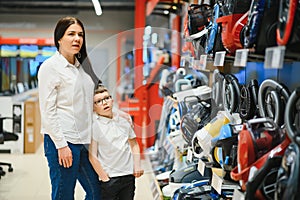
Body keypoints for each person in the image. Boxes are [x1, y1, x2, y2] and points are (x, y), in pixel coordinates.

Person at [38, 16, 101, 200]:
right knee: (64, 194)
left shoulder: (82, 66)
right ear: (59, 38)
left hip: (85, 141)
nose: (77, 39)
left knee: (96, 191)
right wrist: (61, 146)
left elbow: (90, 101)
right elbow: (48, 110)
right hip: (63, 142)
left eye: (80, 35)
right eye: (71, 34)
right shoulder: (50, 67)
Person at [89, 84, 144, 200]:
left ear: (112, 100)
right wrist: (104, 178)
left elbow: (134, 144)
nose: (104, 103)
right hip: (110, 178)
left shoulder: (124, 122)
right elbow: (92, 156)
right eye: (99, 101)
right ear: (93, 108)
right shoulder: (95, 126)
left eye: (107, 98)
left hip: (128, 175)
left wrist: (137, 165)